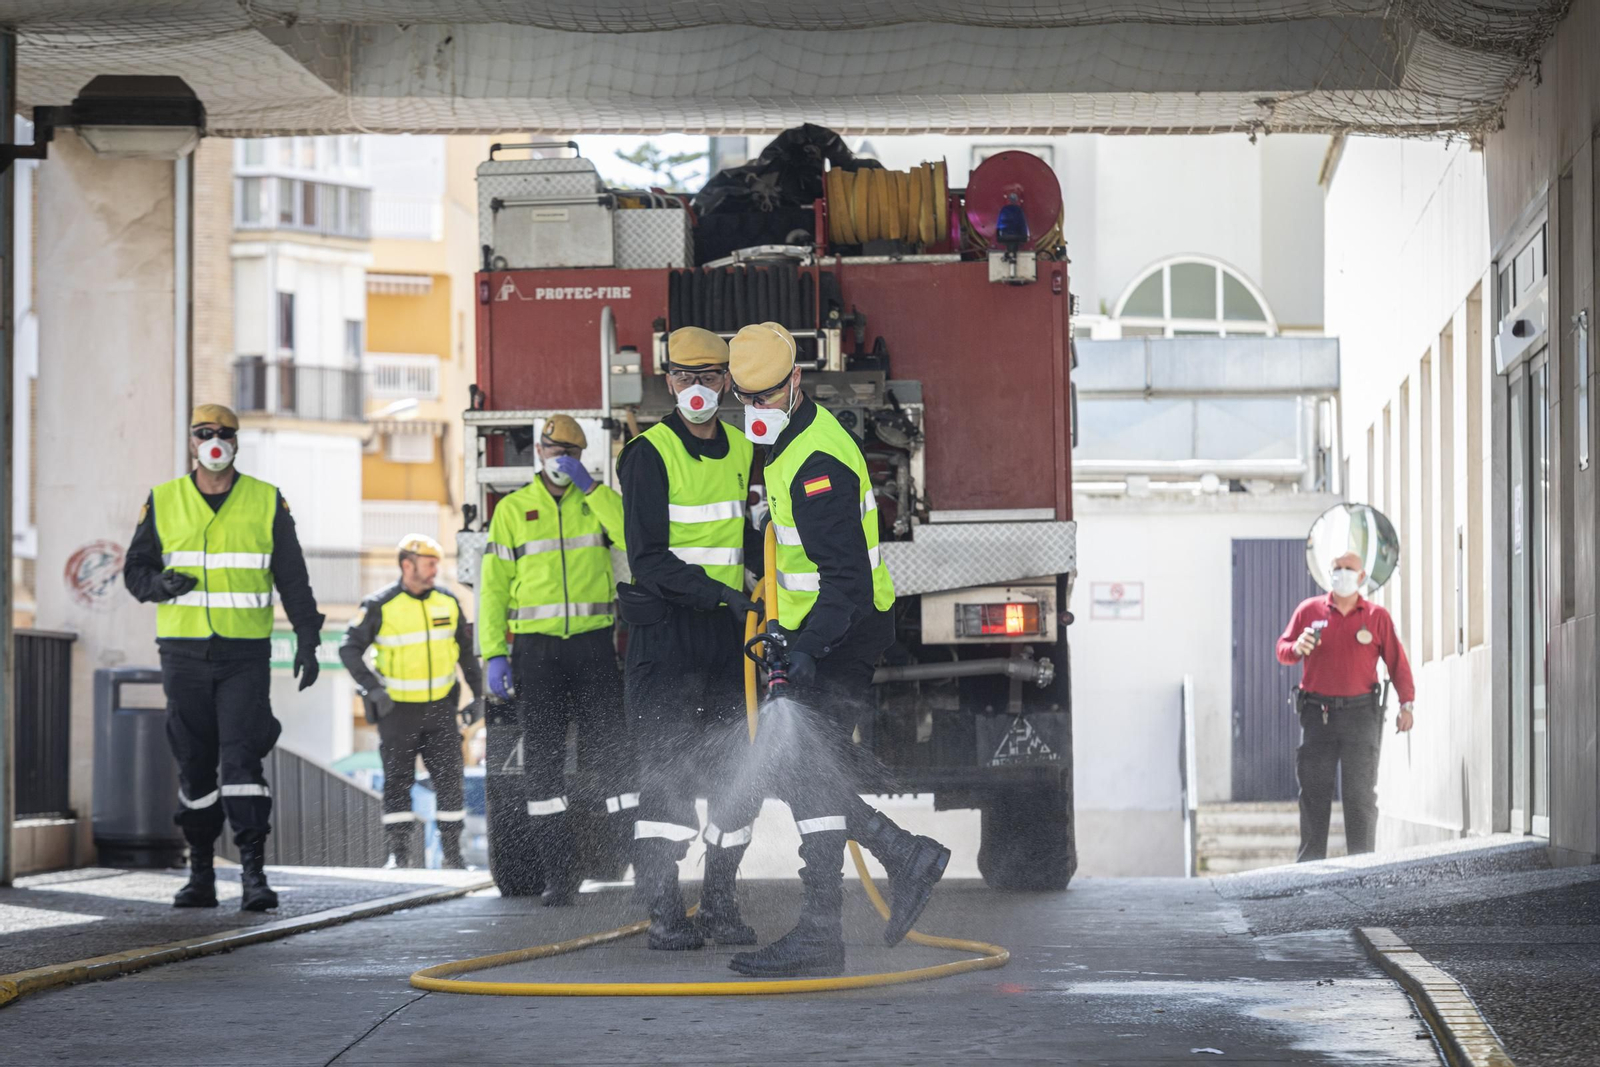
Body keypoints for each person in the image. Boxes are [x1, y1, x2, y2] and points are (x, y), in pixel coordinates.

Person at [724, 322, 950, 978]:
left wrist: (803, 650)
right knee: (802, 772)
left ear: (796, 381)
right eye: (748, 399)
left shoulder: (816, 460)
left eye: (768, 397)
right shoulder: (789, 443)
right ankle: (888, 867)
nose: (757, 411)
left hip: (842, 634)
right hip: (815, 632)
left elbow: (846, 584)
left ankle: (855, 899)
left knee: (802, 770)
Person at [123, 404, 323, 912]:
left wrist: (307, 638)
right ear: (192, 441)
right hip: (183, 654)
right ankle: (201, 873)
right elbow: (135, 571)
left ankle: (254, 874)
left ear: (237, 441)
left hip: (243, 655)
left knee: (241, 761)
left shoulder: (265, 500)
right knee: (194, 765)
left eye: (223, 433)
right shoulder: (163, 500)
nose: (214, 440)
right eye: (204, 433)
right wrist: (157, 585)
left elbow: (292, 577)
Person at [617, 326, 765, 951]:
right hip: (667, 637)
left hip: (728, 634)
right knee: (667, 773)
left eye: (708, 376)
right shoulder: (648, 455)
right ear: (667, 380)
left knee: (739, 772)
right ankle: (664, 911)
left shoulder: (742, 449)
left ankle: (722, 905)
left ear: (728, 380)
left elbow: (752, 537)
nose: (695, 389)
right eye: (683, 376)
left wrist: (758, 592)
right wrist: (722, 595)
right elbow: (648, 559)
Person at [478, 414, 634, 905]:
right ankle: (559, 876)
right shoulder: (512, 509)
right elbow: (493, 589)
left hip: (592, 646)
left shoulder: (599, 504)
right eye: (553, 449)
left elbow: (632, 537)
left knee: (612, 757)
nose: (560, 458)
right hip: (536, 652)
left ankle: (640, 866)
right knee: (542, 766)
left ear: (581, 458)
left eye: (570, 452)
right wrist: (493, 654)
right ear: (539, 452)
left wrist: (594, 490)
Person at [340, 534, 482, 869]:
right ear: (408, 564)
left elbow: (466, 654)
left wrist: (478, 696)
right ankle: (399, 855)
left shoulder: (448, 602)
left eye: (436, 563)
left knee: (450, 780)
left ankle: (453, 855)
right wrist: (373, 689)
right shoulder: (380, 604)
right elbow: (349, 649)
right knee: (397, 780)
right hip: (396, 711)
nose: (436, 570)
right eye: (429, 563)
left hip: (440, 710)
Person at [1276, 551, 1416, 861]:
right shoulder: (1308, 610)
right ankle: (1310, 866)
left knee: (1360, 796)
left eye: (1348, 568)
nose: (1341, 573)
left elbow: (1397, 661)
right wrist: (1296, 645)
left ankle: (1362, 864)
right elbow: (1283, 650)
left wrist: (1407, 704)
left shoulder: (1376, 617)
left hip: (1361, 715)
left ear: (1362, 576)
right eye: (1336, 568)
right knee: (1313, 794)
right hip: (1317, 716)